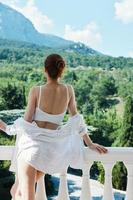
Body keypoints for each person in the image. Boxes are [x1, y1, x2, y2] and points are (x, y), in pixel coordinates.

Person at [0, 54, 108, 200]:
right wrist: (89, 143)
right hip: (50, 153)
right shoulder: (68, 90)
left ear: (45, 70)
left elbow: (25, 123)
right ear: (61, 70)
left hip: (31, 149)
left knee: (25, 196)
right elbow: (76, 120)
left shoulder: (36, 91)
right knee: (16, 191)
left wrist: (6, 128)